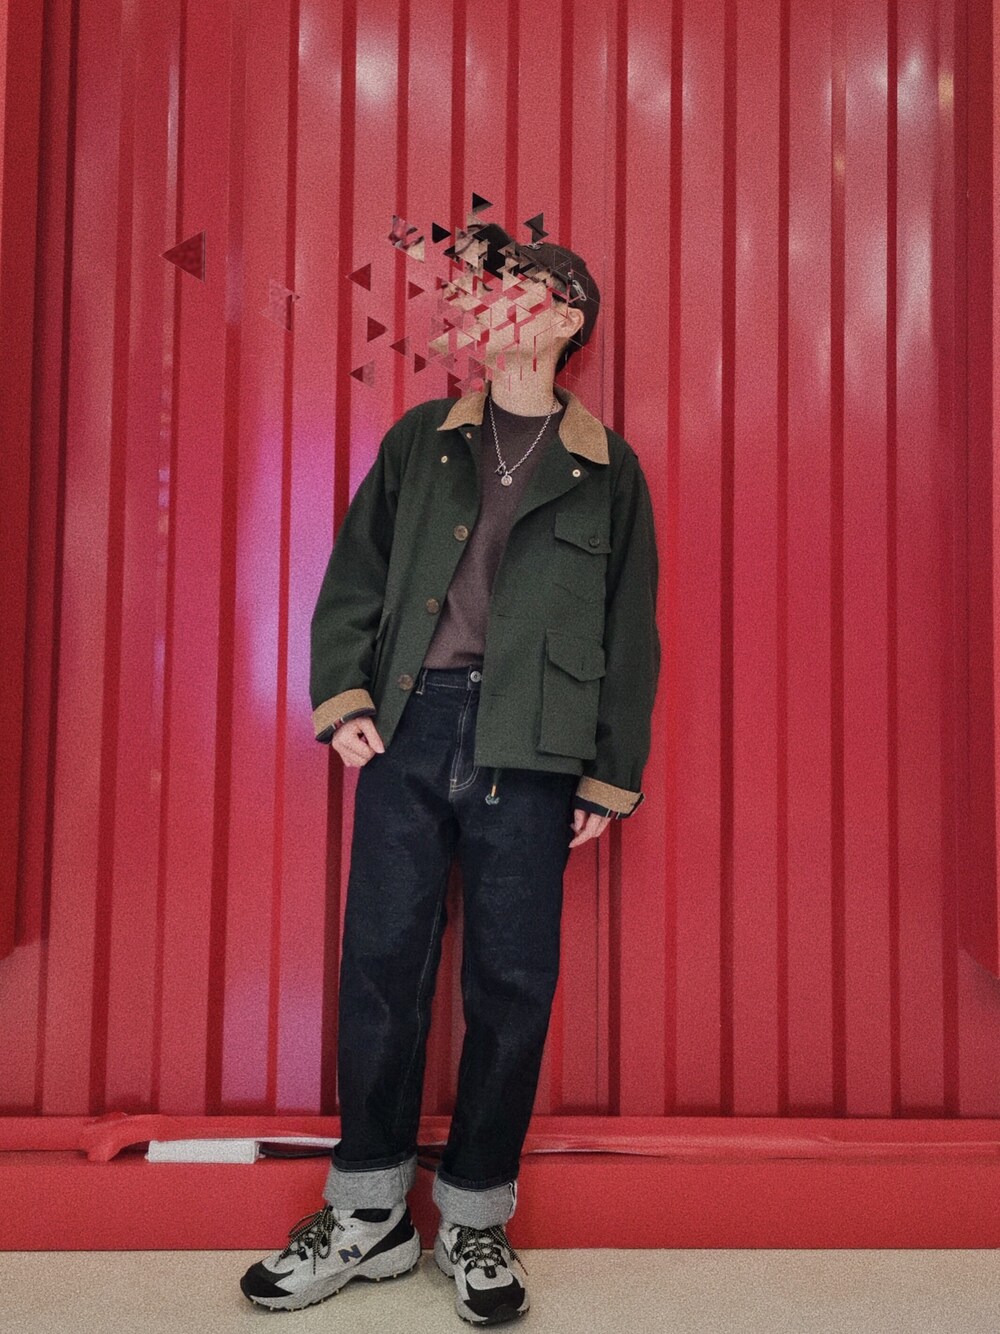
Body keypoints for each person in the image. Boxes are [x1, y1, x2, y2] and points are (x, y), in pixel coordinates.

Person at [240, 224, 660, 1325]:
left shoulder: (607, 468)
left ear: (567, 317)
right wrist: (344, 696)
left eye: (520, 285)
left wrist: (608, 775)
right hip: (410, 730)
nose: (490, 299)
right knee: (381, 964)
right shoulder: (420, 439)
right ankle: (368, 1213)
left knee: (512, 983)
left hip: (535, 745)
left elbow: (630, 630)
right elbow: (355, 576)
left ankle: (474, 1215)